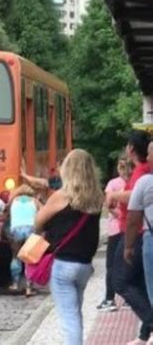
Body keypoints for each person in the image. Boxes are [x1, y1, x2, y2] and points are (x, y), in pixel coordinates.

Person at [35, 149, 103, 345]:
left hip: (63, 264)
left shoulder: (61, 196)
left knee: (69, 318)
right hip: (84, 265)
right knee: (75, 314)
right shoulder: (96, 197)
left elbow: (38, 223)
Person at [107, 130, 152, 345]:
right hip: (135, 231)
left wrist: (113, 195)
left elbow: (134, 198)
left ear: (131, 148)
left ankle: (151, 322)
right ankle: (145, 334)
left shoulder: (143, 172)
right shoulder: (140, 171)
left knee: (120, 281)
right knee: (140, 282)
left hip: (135, 232)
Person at [125, 140, 153, 345]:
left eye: (151, 154)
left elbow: (133, 218)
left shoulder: (145, 182)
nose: (149, 157)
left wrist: (128, 246)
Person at [97, 155, 130, 312]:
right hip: (130, 229)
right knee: (128, 263)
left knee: (111, 265)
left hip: (115, 229)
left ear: (118, 166)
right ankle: (129, 299)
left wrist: (117, 214)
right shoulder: (133, 182)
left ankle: (110, 298)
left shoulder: (112, 184)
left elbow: (108, 204)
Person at [7, 184, 41, 297]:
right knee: (30, 259)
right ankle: (28, 288)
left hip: (16, 229)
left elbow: (6, 212)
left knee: (16, 256)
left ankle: (15, 284)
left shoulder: (14, 200)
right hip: (31, 229)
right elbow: (43, 213)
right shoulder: (35, 201)